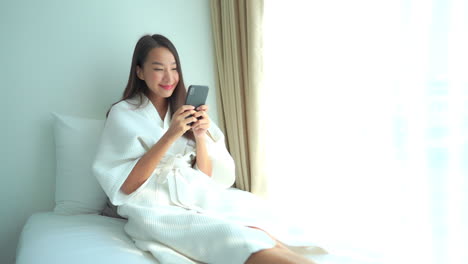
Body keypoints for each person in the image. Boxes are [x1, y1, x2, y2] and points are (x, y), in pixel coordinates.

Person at [92, 34, 319, 264]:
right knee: (236, 240)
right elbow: (126, 186)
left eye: (174, 68)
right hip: (153, 204)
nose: (169, 77)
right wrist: (171, 135)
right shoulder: (123, 113)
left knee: (258, 230)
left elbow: (206, 175)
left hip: (194, 194)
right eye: (159, 68)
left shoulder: (183, 109)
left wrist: (200, 137)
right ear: (139, 72)